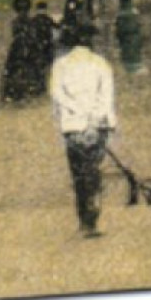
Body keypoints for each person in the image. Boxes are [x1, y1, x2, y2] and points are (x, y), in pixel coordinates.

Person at [50, 25, 118, 238]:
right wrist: (94, 118)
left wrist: (77, 112)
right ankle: (93, 214)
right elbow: (106, 97)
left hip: (72, 125)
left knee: (78, 172)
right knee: (93, 168)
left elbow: (57, 94)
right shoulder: (100, 64)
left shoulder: (61, 65)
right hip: (97, 126)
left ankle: (84, 218)